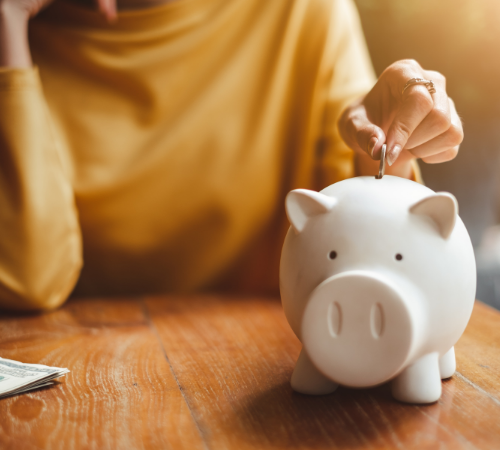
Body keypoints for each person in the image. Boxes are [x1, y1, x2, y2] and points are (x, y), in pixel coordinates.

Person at [0, 0, 463, 311]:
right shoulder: (26, 38)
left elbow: (377, 253)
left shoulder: (298, 13)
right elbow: (27, 281)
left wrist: (391, 150)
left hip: (270, 367)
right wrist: (8, 26)